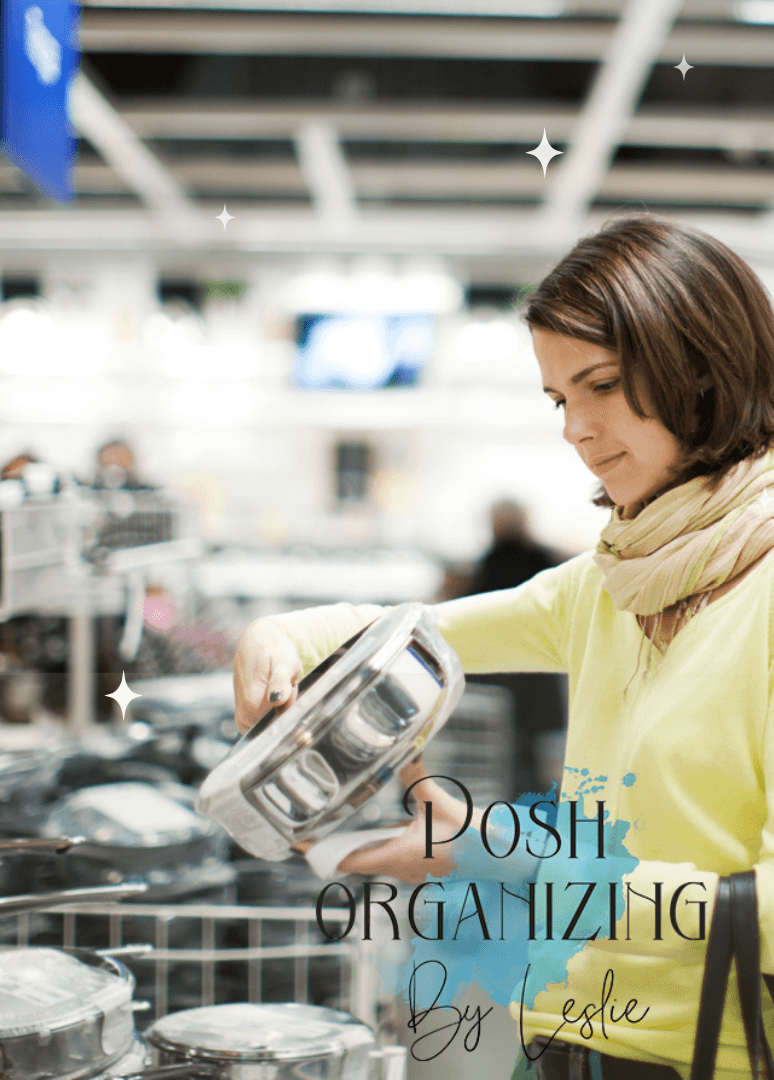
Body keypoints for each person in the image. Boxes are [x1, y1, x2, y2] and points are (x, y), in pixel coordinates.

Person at [232, 214, 774, 1080]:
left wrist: (501, 851)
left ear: (703, 369)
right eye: (561, 399)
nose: (576, 431)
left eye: (602, 384)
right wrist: (279, 636)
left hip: (700, 1053)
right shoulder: (612, 579)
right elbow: (406, 632)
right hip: (558, 1028)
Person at [466, 498, 568, 799]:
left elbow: (476, 608)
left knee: (501, 742)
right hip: (538, 670)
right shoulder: (546, 560)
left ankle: (511, 803)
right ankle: (537, 802)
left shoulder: (490, 560)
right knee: (533, 746)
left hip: (502, 669)